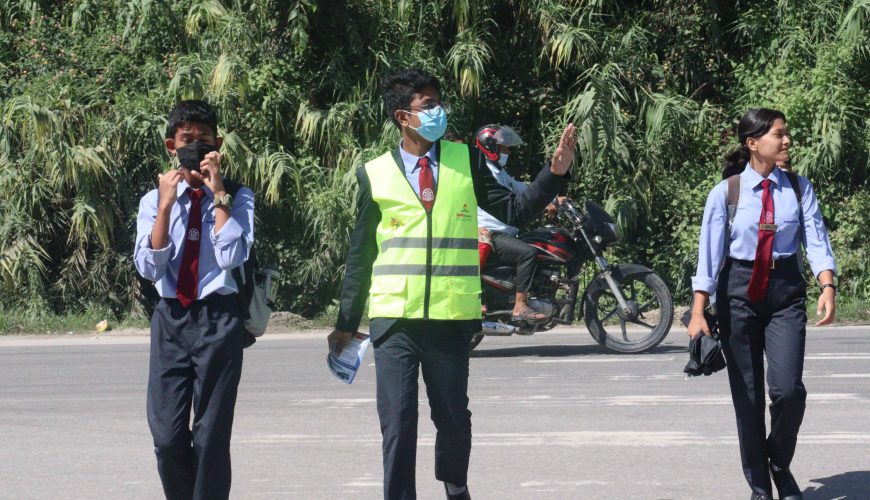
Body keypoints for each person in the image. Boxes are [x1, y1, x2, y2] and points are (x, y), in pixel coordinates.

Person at [328, 68, 575, 500]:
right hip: (395, 322)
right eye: (428, 105)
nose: (439, 111)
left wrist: (553, 174)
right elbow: (360, 253)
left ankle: (455, 487)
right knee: (398, 423)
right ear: (403, 116)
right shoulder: (375, 174)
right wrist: (346, 322)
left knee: (454, 420)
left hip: (451, 318)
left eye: (439, 102)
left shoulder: (465, 159)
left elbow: (515, 210)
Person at [689, 108, 837, 500]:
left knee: (789, 391)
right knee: (749, 397)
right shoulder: (727, 192)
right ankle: (760, 487)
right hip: (738, 292)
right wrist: (698, 309)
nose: (786, 141)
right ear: (753, 143)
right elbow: (709, 253)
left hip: (785, 291)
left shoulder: (799, 188)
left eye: (787, 134)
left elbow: (817, 240)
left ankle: (778, 462)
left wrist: (827, 284)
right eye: (778, 134)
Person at [134, 100, 255, 500]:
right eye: (188, 140)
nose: (197, 147)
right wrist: (167, 204)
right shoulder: (154, 200)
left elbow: (231, 256)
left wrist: (217, 192)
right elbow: (150, 269)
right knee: (167, 438)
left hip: (219, 319)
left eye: (205, 140)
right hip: (172, 318)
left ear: (218, 145)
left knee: (210, 437)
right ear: (172, 145)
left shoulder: (238, 196)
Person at [474, 124, 565, 322]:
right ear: (490, 147)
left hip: (505, 233)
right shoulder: (485, 172)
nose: (509, 151)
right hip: (491, 233)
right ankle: (520, 305)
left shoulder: (501, 172)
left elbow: (523, 190)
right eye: (504, 147)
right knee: (528, 252)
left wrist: (553, 199)